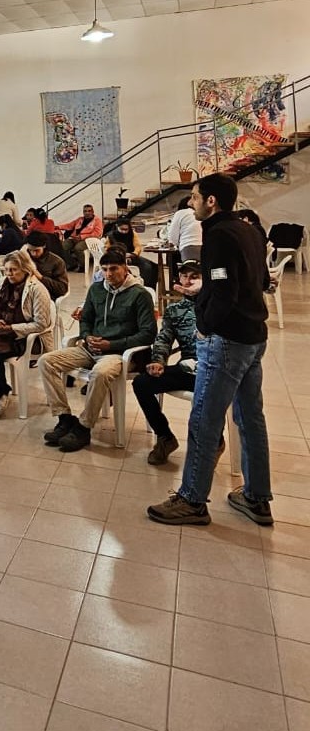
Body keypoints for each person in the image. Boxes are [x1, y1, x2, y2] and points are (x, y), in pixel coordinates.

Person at [148, 174, 273, 527]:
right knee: (250, 418)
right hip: (254, 337)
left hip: (228, 341)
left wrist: (204, 324)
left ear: (212, 201)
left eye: (194, 197)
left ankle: (191, 499)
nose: (191, 203)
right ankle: (256, 497)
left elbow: (224, 293)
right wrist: (206, 289)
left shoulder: (217, 235)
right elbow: (259, 281)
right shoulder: (250, 229)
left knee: (204, 418)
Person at [38, 247, 156, 452]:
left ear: (125, 268)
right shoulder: (96, 289)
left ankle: (84, 426)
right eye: (104, 269)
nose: (109, 274)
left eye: (113, 269)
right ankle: (64, 417)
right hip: (90, 348)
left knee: (100, 373)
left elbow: (148, 334)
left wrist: (111, 345)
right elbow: (87, 319)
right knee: (46, 361)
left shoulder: (140, 295)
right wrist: (86, 336)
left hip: (118, 353)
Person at [131, 261, 208, 465]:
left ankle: (213, 443)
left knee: (208, 393)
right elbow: (164, 338)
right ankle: (165, 437)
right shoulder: (175, 310)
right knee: (142, 383)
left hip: (213, 370)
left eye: (195, 276)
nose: (189, 281)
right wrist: (158, 361)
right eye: (185, 276)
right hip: (188, 368)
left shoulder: (214, 306)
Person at [0, 250, 52, 417]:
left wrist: (12, 328)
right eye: (6, 270)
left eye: (13, 270)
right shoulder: (0, 283)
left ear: (25, 269)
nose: (9, 274)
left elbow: (41, 324)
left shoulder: (37, 289)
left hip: (24, 337)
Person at [106, 219, 156, 288]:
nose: (124, 231)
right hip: (116, 258)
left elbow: (138, 247)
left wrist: (133, 254)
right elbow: (108, 250)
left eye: (126, 229)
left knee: (150, 266)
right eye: (122, 229)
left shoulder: (132, 234)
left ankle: (147, 287)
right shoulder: (111, 236)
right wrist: (121, 255)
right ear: (117, 227)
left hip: (131, 256)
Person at [22, 231, 69, 300]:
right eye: (30, 250)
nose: (33, 254)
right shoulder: (24, 257)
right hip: (25, 295)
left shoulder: (57, 262)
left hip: (46, 296)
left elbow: (62, 289)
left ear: (44, 246)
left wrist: (41, 277)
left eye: (37, 250)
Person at [58, 204, 103, 271]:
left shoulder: (97, 221)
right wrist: (58, 227)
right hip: (75, 238)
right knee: (62, 246)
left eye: (89, 211)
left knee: (78, 248)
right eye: (85, 211)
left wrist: (82, 237)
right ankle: (72, 264)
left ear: (93, 211)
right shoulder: (80, 219)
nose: (87, 213)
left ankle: (83, 266)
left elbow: (97, 233)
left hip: (88, 240)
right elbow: (69, 225)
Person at [167, 195, 202, 262]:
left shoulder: (180, 213)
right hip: (206, 248)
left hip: (189, 248)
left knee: (174, 257)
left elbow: (172, 239)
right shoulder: (201, 214)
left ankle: (176, 272)